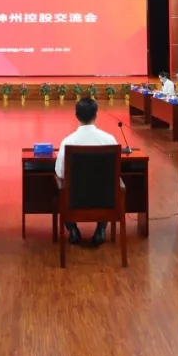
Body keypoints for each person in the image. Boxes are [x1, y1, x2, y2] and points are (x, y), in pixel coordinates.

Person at [55, 98, 118, 246]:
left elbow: (60, 173)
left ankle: (72, 229)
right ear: (96, 115)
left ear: (76, 116)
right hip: (105, 199)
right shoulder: (109, 140)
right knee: (107, 185)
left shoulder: (68, 142)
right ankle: (101, 229)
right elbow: (115, 171)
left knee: (61, 188)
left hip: (74, 198)